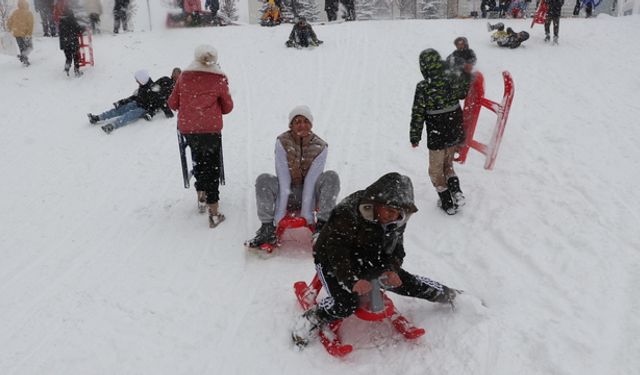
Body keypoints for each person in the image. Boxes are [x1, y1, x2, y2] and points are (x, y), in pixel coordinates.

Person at [291, 172, 460, 347]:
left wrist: (391, 269)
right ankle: (314, 316)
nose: (392, 216)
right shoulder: (349, 211)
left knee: (406, 282)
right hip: (331, 259)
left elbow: (396, 249)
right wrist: (352, 280)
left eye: (397, 212)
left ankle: (450, 295)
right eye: (388, 210)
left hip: (370, 257)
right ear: (376, 202)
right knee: (346, 304)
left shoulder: (397, 218)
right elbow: (336, 253)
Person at [245, 105, 340, 248]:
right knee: (263, 179)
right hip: (288, 192)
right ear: (291, 125)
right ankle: (267, 229)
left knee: (331, 176)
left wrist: (307, 215)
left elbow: (311, 180)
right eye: (298, 122)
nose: (302, 125)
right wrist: (280, 215)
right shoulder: (282, 142)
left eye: (306, 121)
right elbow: (283, 179)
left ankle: (322, 227)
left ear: (311, 124)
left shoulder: (320, 146)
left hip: (312, 194)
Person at [168, 45, 234, 228]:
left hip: (189, 129)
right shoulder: (219, 79)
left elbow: (172, 102)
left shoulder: (183, 77)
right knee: (212, 165)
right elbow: (228, 107)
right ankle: (214, 211)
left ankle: (201, 193)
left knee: (197, 158)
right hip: (210, 129)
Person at [409, 49, 471, 215]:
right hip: (454, 130)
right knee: (448, 165)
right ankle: (456, 192)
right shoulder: (451, 78)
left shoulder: (423, 86)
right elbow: (463, 93)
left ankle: (447, 203)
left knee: (435, 170)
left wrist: (415, 136)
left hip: (437, 134)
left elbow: (418, 112)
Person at [87, 70, 165, 134]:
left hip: (145, 109)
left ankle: (112, 125)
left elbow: (159, 103)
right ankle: (98, 117)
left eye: (137, 80)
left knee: (129, 114)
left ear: (142, 79)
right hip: (138, 103)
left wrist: (151, 112)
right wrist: (122, 102)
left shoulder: (153, 89)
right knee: (121, 109)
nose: (136, 81)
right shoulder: (143, 85)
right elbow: (135, 96)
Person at [6, 0, 34, 67]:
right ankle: (23, 56)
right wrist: (29, 34)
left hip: (17, 33)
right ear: (27, 5)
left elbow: (9, 22)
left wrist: (10, 29)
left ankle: (24, 58)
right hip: (25, 33)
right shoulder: (28, 13)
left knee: (21, 47)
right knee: (30, 47)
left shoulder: (15, 12)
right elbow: (31, 25)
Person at [58, 6, 85, 77]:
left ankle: (66, 68)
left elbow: (61, 33)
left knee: (68, 57)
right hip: (73, 42)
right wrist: (84, 28)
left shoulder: (61, 21)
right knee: (76, 56)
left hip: (65, 43)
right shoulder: (72, 20)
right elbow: (78, 29)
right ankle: (77, 71)